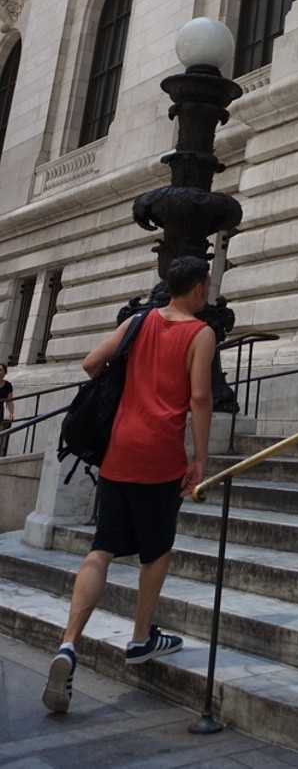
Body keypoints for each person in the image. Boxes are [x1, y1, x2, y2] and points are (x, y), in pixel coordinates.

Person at [42, 255, 215, 714]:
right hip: (160, 457)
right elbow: (200, 397)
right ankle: (140, 637)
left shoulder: (138, 322)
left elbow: (89, 363)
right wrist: (200, 457)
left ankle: (69, 644)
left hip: (119, 451)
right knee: (155, 550)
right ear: (198, 288)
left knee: (101, 548)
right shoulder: (201, 333)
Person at [0, 363, 13, 456]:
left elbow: (10, 401)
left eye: (0, 370)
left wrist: (11, 413)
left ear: (5, 373)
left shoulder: (8, 385)